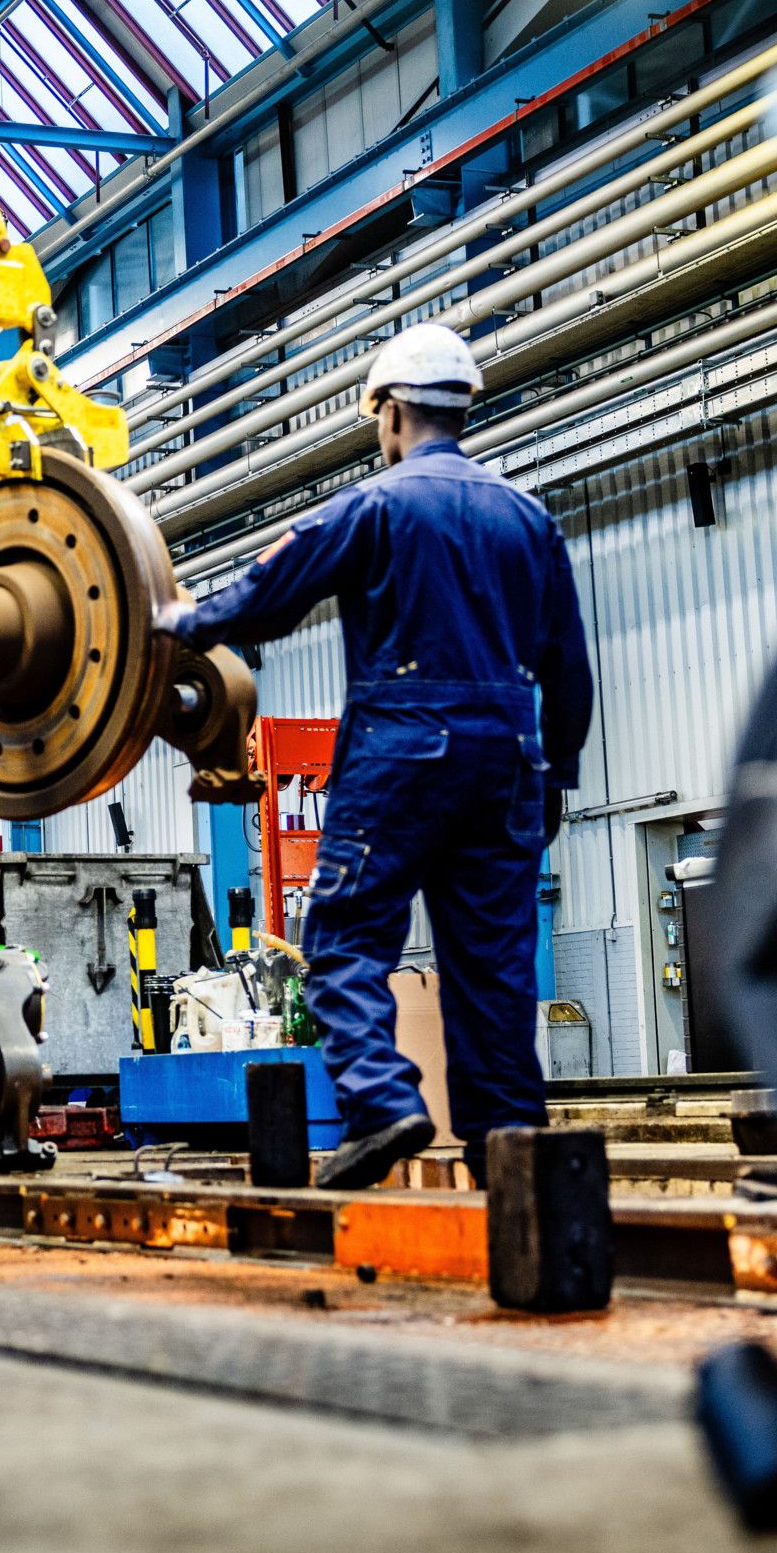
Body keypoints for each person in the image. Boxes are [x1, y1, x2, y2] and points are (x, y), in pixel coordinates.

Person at [161, 323, 593, 1189]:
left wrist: (181, 623)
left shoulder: (374, 506)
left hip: (402, 748)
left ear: (390, 412)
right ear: (461, 409)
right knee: (494, 971)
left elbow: (269, 595)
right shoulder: (529, 519)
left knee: (345, 940)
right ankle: (510, 1161)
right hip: (508, 759)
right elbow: (570, 671)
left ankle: (384, 1098)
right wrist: (556, 773)